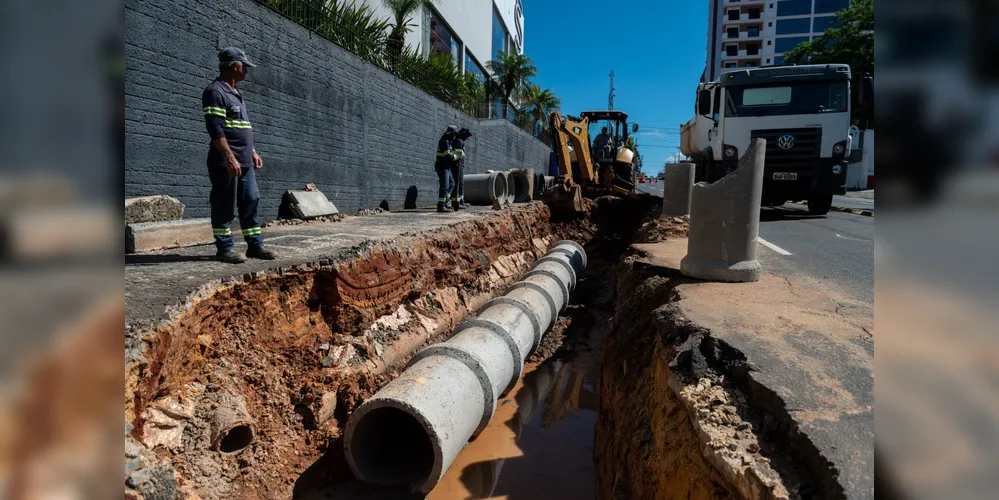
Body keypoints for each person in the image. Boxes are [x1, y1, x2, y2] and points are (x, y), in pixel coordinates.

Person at [202, 47, 276, 263]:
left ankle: (255, 246)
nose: (247, 72)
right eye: (245, 67)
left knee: (251, 199)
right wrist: (229, 157)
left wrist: (252, 152)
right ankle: (224, 248)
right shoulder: (215, 92)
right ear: (235, 66)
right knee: (224, 203)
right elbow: (215, 129)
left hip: (245, 161)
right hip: (226, 162)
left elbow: (243, 128)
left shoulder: (236, 94)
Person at [435, 125, 459, 212]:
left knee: (451, 184)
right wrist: (456, 156)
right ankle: (441, 206)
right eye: (454, 134)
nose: (454, 137)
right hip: (442, 166)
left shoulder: (448, 141)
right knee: (444, 186)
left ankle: (445, 202)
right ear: (450, 134)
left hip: (445, 167)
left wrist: (455, 154)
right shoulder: (445, 141)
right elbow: (448, 156)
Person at [452, 127, 473, 209]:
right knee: (459, 183)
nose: (467, 138)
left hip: (458, 165)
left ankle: (461, 201)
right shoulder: (458, 141)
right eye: (467, 135)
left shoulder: (458, 141)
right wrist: (459, 164)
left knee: (459, 183)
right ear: (464, 134)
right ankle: (458, 201)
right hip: (457, 165)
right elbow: (458, 155)